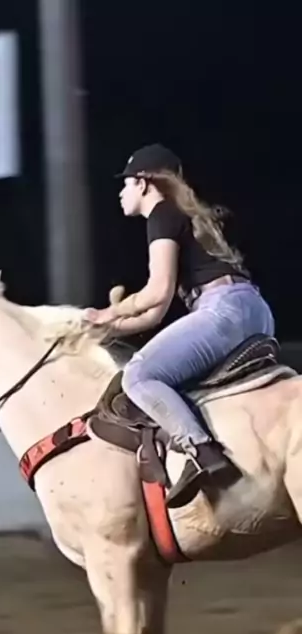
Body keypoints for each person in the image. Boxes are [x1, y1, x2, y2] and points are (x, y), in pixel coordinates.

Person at [84, 143, 275, 509]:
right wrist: (109, 332)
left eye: (125, 183)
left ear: (143, 183)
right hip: (255, 312)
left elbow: (157, 291)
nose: (121, 192)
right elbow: (154, 314)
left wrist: (106, 314)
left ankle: (201, 452)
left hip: (223, 311)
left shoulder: (161, 213)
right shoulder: (184, 214)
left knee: (138, 376)